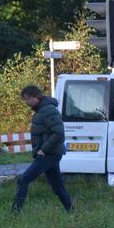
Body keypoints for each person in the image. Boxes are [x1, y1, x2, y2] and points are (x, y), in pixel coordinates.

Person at [13, 85, 73, 213]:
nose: (26, 102)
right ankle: (71, 210)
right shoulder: (42, 110)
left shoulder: (48, 110)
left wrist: (43, 150)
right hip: (51, 153)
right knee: (58, 186)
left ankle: (15, 213)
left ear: (36, 97)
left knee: (23, 180)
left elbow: (59, 133)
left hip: (48, 154)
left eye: (27, 99)